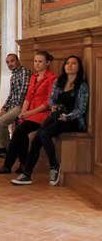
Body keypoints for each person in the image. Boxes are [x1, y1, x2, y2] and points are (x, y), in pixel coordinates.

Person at [12, 55, 89, 186]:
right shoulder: (60, 81)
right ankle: (27, 174)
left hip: (72, 120)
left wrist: (67, 116)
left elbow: (81, 109)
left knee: (42, 133)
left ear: (79, 67)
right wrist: (53, 106)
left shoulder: (82, 86)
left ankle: (54, 166)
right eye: (67, 63)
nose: (69, 66)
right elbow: (52, 99)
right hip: (57, 116)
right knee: (38, 137)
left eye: (73, 63)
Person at [0, 51, 56, 175]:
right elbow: (27, 97)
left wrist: (28, 113)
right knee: (20, 130)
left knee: (19, 131)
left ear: (47, 63)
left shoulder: (52, 78)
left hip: (42, 114)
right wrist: (23, 112)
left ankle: (8, 165)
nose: (37, 64)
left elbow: (48, 103)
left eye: (40, 61)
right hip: (29, 113)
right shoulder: (34, 77)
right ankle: (22, 163)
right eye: (35, 61)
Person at [0, 54, 31, 157]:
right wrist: (5, 107)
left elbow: (23, 92)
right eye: (7, 62)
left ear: (17, 61)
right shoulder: (13, 75)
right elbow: (11, 94)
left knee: (1, 122)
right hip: (12, 106)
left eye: (12, 61)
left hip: (22, 106)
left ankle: (10, 149)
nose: (10, 64)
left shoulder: (24, 72)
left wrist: (11, 108)